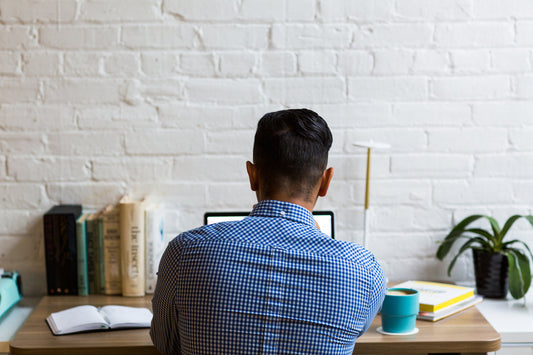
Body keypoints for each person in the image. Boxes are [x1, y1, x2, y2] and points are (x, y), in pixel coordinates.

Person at [151, 108, 387, 354]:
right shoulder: (365, 271)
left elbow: (165, 343)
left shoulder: (184, 251)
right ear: (326, 182)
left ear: (252, 175)